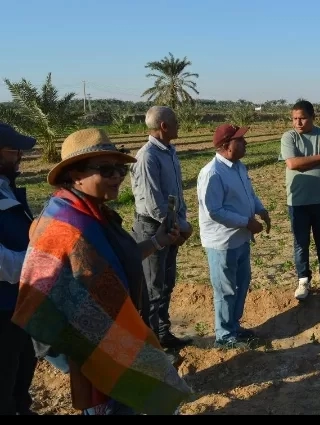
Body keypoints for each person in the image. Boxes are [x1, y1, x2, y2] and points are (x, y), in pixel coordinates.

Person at [11, 128, 192, 415]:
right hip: (98, 350)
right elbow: (43, 295)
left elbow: (119, 260)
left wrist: (158, 241)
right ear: (75, 175)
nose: (117, 176)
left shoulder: (92, 212)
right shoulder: (67, 225)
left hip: (115, 340)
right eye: (106, 170)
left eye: (120, 169)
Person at [197, 124, 271, 347]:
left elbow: (249, 194)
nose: (245, 143)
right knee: (225, 290)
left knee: (240, 284)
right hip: (223, 242)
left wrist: (260, 209)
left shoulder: (239, 167)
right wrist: (246, 222)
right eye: (240, 140)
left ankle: (234, 327)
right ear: (226, 146)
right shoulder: (212, 173)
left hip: (241, 239)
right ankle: (224, 336)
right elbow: (214, 211)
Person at [130, 106, 193, 349]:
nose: (179, 125)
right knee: (152, 289)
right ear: (164, 126)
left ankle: (163, 334)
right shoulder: (148, 157)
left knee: (167, 284)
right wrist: (179, 228)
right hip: (153, 229)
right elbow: (154, 203)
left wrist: (180, 224)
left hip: (170, 227)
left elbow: (176, 194)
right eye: (175, 121)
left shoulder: (169, 152)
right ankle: (152, 345)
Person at [280, 100, 320, 300]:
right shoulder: (289, 137)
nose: (298, 123)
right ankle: (303, 281)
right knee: (301, 243)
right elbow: (292, 163)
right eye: (294, 119)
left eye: (302, 118)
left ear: (312, 117)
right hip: (297, 201)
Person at [0, 123, 38, 415]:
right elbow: (8, 267)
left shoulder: (7, 190)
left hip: (18, 308)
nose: (20, 157)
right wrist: (48, 251)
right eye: (14, 150)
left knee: (21, 374)